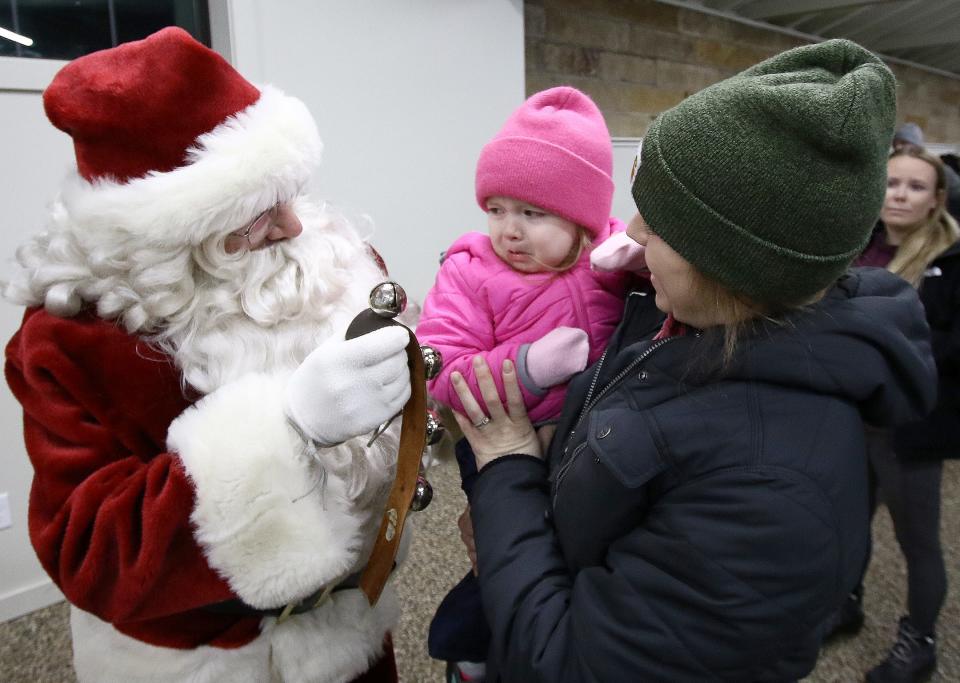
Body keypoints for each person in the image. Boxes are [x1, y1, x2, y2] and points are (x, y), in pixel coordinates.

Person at [445, 39, 938, 682]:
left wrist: (507, 473)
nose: (635, 234)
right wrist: (518, 519)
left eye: (661, 220)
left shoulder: (772, 494)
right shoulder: (675, 315)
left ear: (730, 260)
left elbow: (571, 663)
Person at [3, 28, 414, 683]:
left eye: (290, 190)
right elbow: (92, 553)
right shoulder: (72, 342)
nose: (293, 225)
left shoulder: (330, 263)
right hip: (214, 662)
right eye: (254, 209)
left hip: (353, 632)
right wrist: (288, 430)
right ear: (168, 235)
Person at [415, 86, 643, 683]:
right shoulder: (469, 273)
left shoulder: (608, 262)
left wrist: (642, 262)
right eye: (497, 209)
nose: (509, 232)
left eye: (532, 214)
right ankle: (467, 644)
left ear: (583, 219)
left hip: (590, 433)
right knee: (512, 548)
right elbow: (441, 370)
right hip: (500, 437)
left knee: (581, 553)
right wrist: (526, 368)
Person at [850, 147, 959, 683]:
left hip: (910, 427)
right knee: (849, 520)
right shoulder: (860, 248)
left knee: (917, 540)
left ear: (938, 199)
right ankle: (846, 600)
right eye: (891, 183)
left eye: (915, 186)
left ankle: (921, 642)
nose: (899, 194)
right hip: (856, 416)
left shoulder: (952, 263)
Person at [892, 122, 960, 220]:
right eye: (896, 143)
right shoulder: (893, 166)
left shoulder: (936, 168)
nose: (898, 147)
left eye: (904, 143)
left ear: (917, 146)